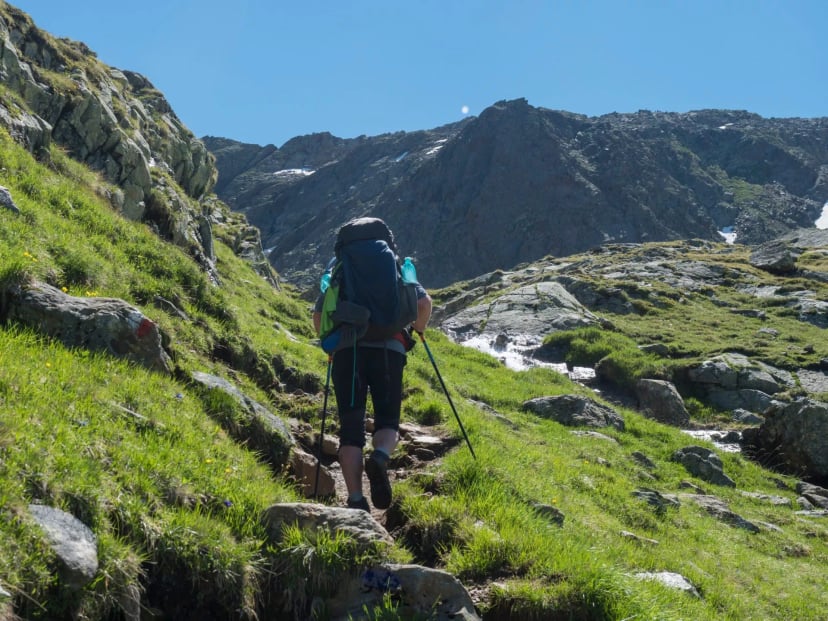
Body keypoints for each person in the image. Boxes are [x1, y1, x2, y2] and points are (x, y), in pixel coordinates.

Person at [312, 240, 432, 512]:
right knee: (388, 421)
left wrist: (328, 345)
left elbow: (319, 314)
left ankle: (356, 500)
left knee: (351, 429)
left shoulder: (339, 267)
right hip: (389, 351)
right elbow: (423, 303)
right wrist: (418, 330)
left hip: (347, 352)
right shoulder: (395, 265)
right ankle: (379, 456)